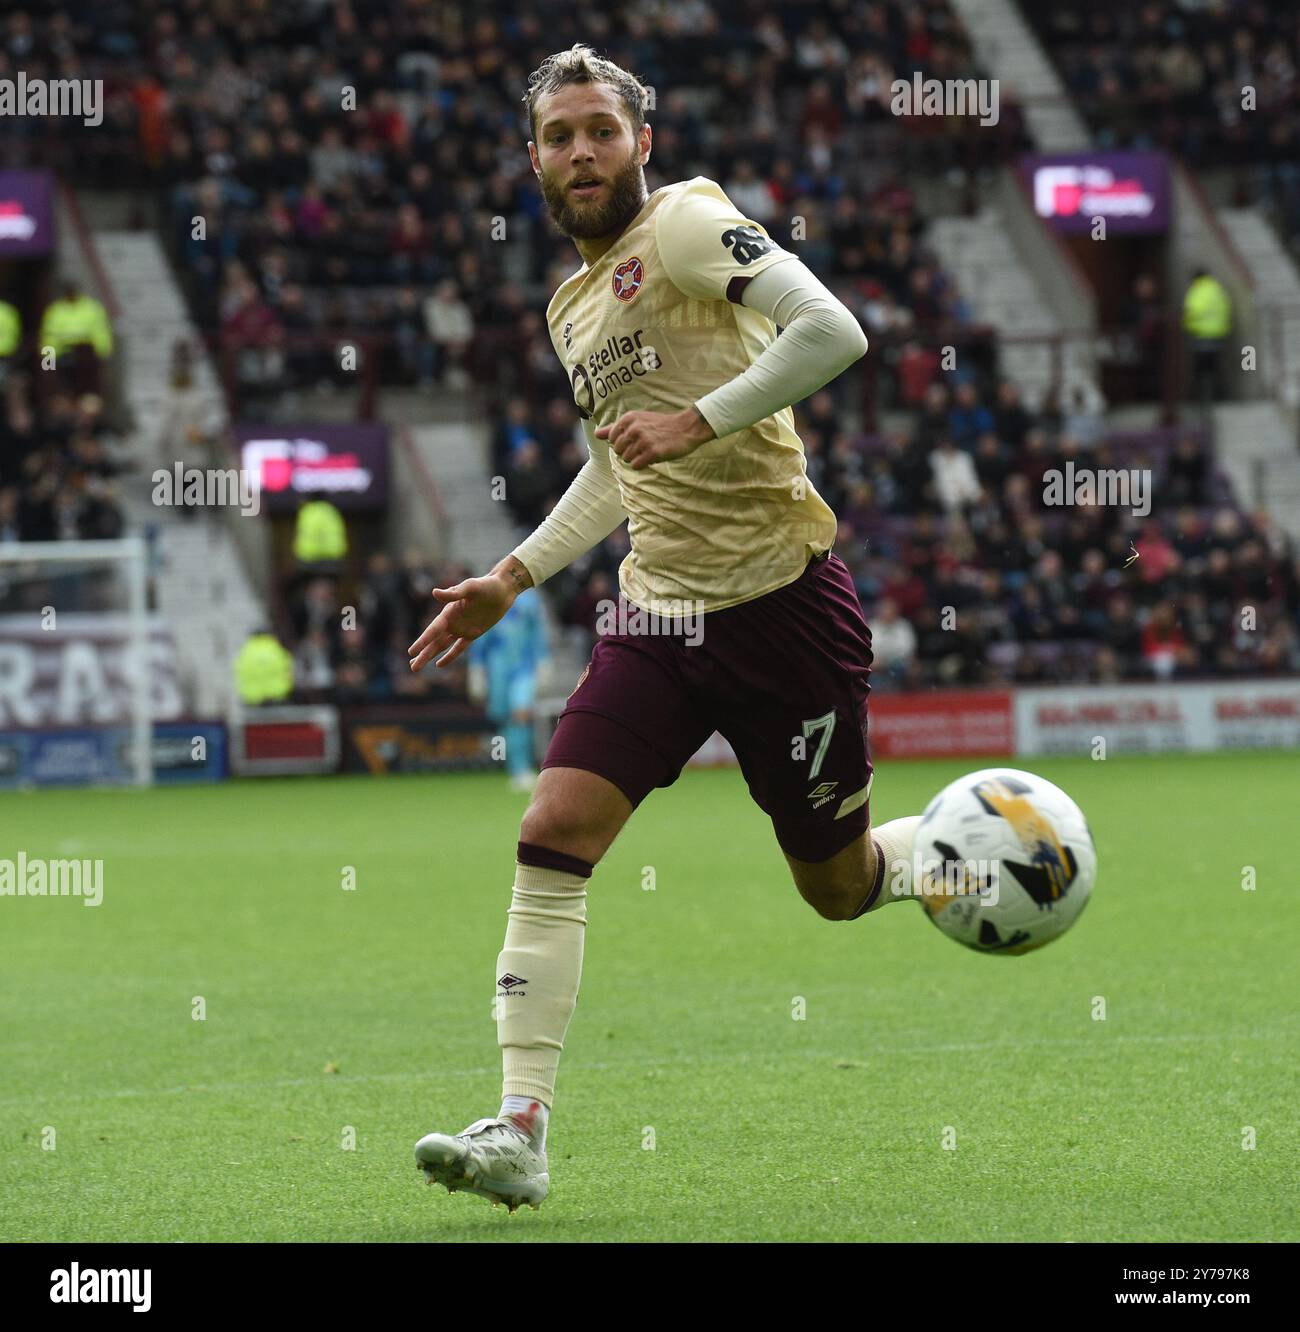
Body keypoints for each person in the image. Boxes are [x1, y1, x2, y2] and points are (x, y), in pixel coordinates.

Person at [406, 45, 927, 1212]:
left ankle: (935, 854)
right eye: (557, 136)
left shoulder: (689, 225)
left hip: (786, 610)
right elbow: (614, 466)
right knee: (553, 828)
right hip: (659, 613)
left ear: (642, 139)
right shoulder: (570, 304)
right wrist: (517, 573)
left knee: (835, 890)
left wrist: (705, 416)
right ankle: (521, 1129)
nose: (581, 151)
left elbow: (832, 330)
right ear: (532, 159)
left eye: (600, 128)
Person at [468, 586, 549, 791]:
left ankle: (522, 768)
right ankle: (511, 766)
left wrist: (543, 661)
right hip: (497, 669)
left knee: (521, 712)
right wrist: (477, 668)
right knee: (503, 718)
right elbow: (480, 637)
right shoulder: (488, 601)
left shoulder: (529, 600)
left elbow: (538, 632)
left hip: (523, 667)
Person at [1181, 267, 1231, 407]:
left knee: (1200, 370)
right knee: (1214, 368)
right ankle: (1218, 398)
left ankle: (1199, 400)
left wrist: (1184, 324)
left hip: (1201, 335)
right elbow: (1226, 309)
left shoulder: (1197, 290)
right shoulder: (1217, 289)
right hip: (1219, 335)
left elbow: (1192, 311)